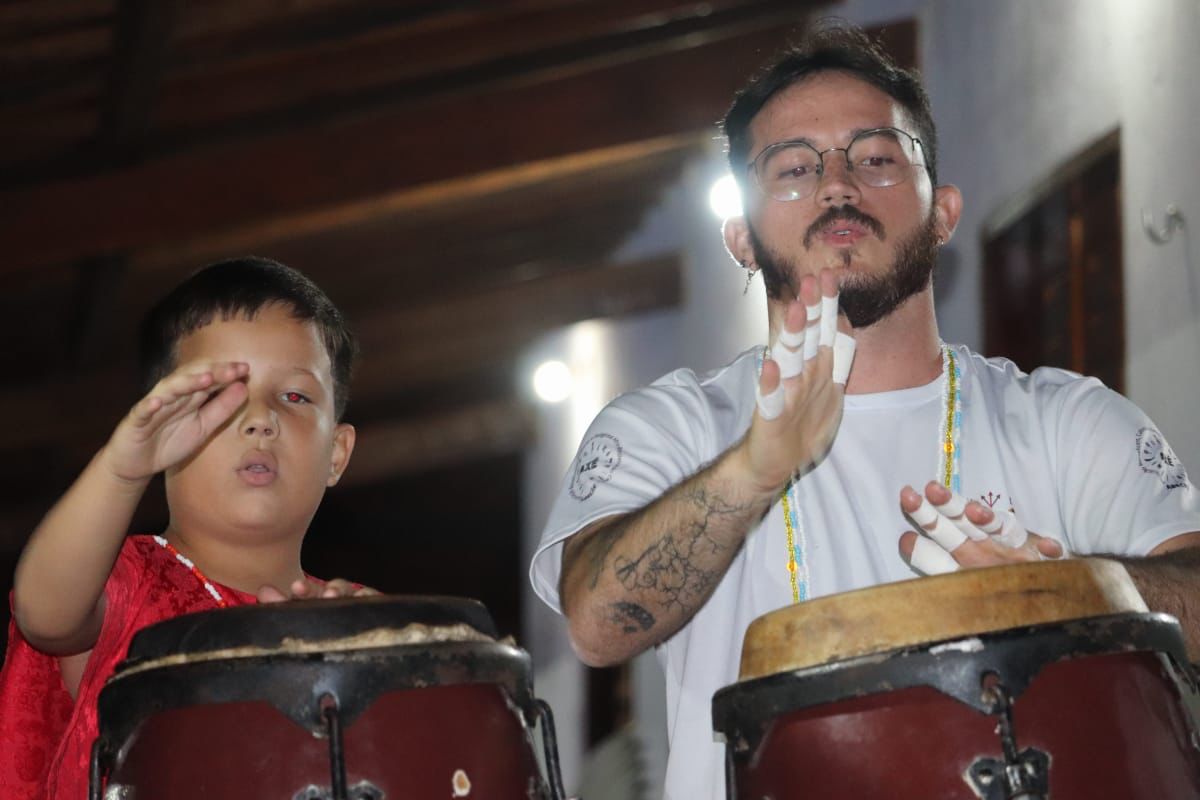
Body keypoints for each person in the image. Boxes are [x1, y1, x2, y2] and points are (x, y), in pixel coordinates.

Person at [528, 21, 1200, 800]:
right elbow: (597, 625)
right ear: (741, 239)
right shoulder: (673, 427)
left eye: (877, 157)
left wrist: (1078, 592)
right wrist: (755, 468)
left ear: (943, 212)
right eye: (793, 167)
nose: (837, 184)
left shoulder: (1066, 420)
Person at [0, 256, 373, 799]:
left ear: (336, 453)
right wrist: (122, 469)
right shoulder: (128, 585)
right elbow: (44, 616)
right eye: (219, 395)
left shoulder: (363, 617)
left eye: (294, 396)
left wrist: (375, 655)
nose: (260, 419)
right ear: (161, 426)